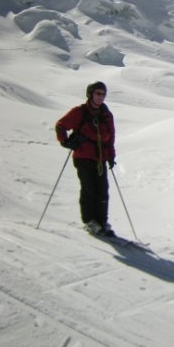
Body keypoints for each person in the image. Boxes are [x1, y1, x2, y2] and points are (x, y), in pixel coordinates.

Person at [55, 81, 116, 237]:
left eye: (103, 94)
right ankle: (90, 221)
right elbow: (61, 125)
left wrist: (111, 155)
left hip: (100, 157)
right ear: (90, 94)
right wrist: (66, 142)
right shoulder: (79, 112)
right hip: (83, 156)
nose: (101, 97)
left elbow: (110, 138)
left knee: (103, 191)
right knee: (89, 190)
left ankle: (102, 222)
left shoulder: (107, 115)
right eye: (98, 93)